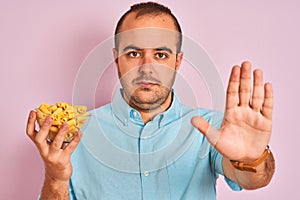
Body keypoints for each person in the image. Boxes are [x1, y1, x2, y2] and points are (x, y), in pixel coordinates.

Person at [26, 2, 275, 200]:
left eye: (161, 54)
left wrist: (253, 159)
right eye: (133, 53)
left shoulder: (211, 129)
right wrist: (56, 178)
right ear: (116, 59)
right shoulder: (74, 134)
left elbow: (252, 180)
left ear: (177, 61)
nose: (147, 68)